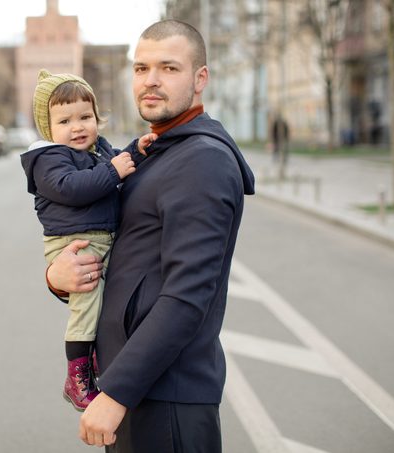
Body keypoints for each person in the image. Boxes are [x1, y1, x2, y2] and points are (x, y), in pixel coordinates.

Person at [45, 20, 255, 452]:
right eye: (141, 68)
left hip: (166, 397)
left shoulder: (203, 161)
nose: (151, 80)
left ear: (200, 79)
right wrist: (59, 277)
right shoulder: (156, 150)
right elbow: (126, 259)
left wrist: (118, 390)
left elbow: (186, 296)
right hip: (141, 387)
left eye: (168, 68)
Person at [20, 69, 156, 412]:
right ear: (47, 128)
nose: (77, 126)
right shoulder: (48, 158)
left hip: (99, 237)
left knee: (110, 300)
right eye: (65, 120)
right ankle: (76, 375)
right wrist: (113, 171)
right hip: (74, 242)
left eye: (85, 116)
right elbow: (72, 188)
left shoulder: (98, 149)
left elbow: (116, 164)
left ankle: (96, 358)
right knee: (87, 303)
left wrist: (135, 152)